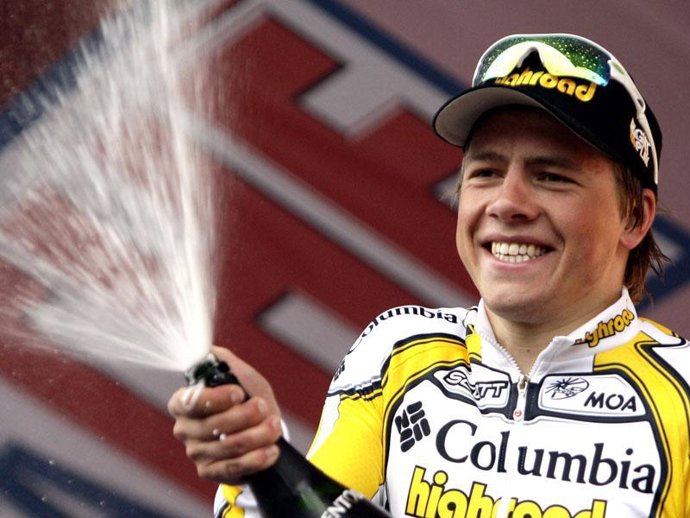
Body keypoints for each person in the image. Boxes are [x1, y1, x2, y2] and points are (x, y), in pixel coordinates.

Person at [168, 33, 690, 517]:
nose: (506, 202)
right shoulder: (400, 351)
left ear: (635, 217)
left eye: (552, 176)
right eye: (485, 172)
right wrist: (259, 461)